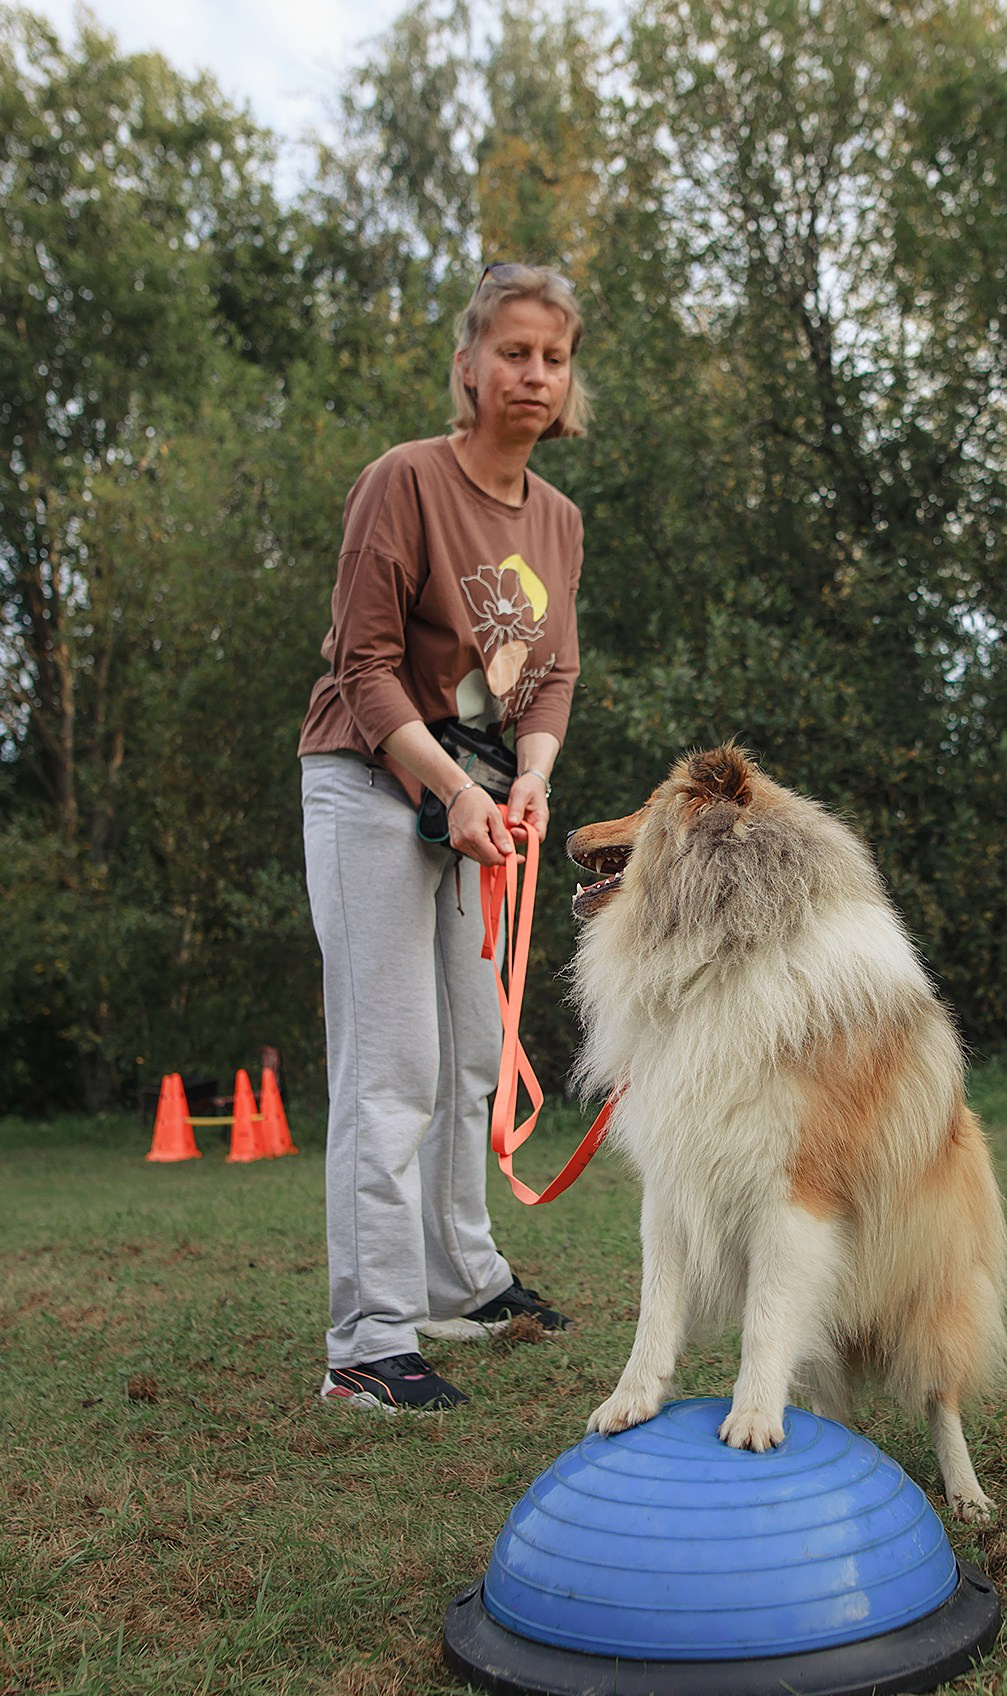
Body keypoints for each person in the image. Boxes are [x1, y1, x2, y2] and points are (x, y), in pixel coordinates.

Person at [297, 263, 589, 1411]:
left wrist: (529, 780)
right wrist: (449, 788)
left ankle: (459, 1282)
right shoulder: (403, 482)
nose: (533, 374)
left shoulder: (558, 521)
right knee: (391, 1070)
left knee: (472, 1055)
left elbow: (552, 671)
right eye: (511, 351)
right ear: (467, 365)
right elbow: (361, 667)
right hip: (372, 784)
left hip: (478, 805)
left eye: (553, 358)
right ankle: (366, 1343)